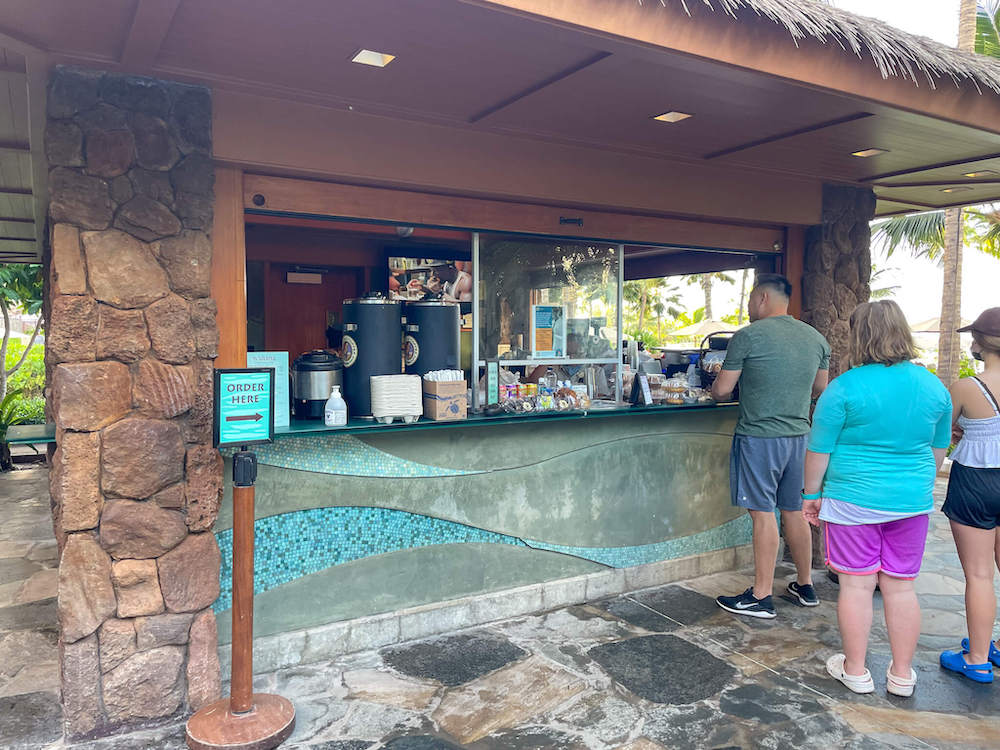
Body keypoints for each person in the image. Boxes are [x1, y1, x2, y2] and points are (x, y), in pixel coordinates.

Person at [802, 300, 951, 698]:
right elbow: (938, 449)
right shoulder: (933, 386)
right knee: (901, 587)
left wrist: (811, 496)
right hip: (911, 503)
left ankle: (856, 671)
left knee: (856, 586)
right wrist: (913, 483)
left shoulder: (844, 387)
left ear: (858, 336)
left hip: (852, 501)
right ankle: (902, 676)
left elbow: (819, 451)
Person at [712, 274, 830, 618]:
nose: (749, 307)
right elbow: (818, 387)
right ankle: (804, 585)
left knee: (762, 513)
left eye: (750, 300)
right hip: (800, 437)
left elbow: (721, 390)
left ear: (762, 298)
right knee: (793, 510)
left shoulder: (747, 337)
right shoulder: (816, 339)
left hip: (759, 437)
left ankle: (761, 595)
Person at [939, 308, 1000, 683]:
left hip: (976, 482)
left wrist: (964, 432)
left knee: (979, 575)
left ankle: (977, 658)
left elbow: (943, 432)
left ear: (980, 342)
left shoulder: (966, 387)